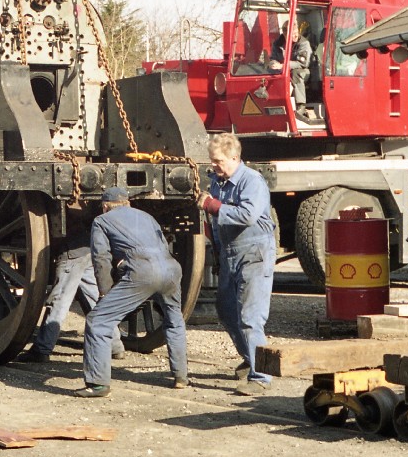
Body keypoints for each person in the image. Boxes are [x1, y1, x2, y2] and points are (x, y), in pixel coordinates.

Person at [76, 186, 188, 398]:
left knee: (98, 321)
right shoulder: (147, 217)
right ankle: (181, 376)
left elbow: (101, 258)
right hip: (171, 268)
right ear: (128, 203)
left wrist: (104, 292)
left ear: (105, 206)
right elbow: (162, 243)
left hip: (143, 271)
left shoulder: (102, 221)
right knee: (174, 320)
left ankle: (98, 384)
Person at [201, 133, 275, 392]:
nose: (214, 166)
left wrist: (213, 206)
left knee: (250, 316)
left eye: (218, 161)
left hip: (254, 253)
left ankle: (261, 377)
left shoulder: (251, 181)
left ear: (235, 157)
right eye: (212, 161)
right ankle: (251, 358)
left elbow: (247, 214)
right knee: (227, 310)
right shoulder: (219, 182)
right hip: (230, 254)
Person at [18, 204, 125, 363]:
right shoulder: (80, 207)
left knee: (59, 300)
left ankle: (42, 349)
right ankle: (115, 346)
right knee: (94, 299)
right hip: (87, 249)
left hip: (71, 253)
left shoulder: (64, 207)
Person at [270, 19, 314, 120]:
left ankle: (301, 105)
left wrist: (283, 65)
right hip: (284, 70)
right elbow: (273, 58)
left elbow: (302, 63)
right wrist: (272, 63)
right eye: (292, 34)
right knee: (270, 73)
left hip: (304, 71)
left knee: (296, 73)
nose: (295, 36)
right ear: (285, 34)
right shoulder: (277, 43)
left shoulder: (304, 43)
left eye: (295, 33)